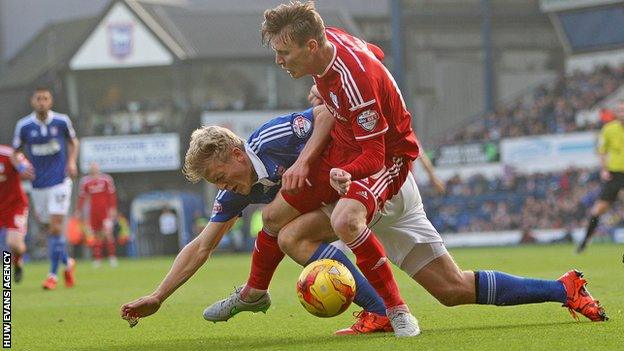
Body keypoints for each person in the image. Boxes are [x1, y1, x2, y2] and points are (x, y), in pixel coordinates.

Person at [203, 1, 607, 334]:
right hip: (374, 170)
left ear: (310, 46)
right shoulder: (333, 48)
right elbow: (374, 52)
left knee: (337, 218)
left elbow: (375, 156)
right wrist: (327, 99)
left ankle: (393, 311)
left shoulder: (353, 83)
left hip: (387, 170)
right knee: (450, 289)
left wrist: (342, 173)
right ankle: (563, 288)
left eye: (284, 52)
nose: (278, 60)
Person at [121, 106, 392, 334]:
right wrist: (159, 296)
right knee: (290, 237)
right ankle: (380, 311)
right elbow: (202, 246)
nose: (222, 186)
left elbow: (325, 113)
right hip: (343, 206)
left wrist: (302, 162)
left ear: (238, 155)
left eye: (220, 176)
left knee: (275, 219)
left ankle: (254, 293)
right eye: (215, 182)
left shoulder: (272, 138)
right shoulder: (234, 192)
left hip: (371, 181)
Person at [12, 86, 79, 290]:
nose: (42, 102)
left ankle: (52, 276)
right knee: (48, 229)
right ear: (33, 101)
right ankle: (67, 263)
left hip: (59, 182)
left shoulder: (61, 121)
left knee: (57, 228)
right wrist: (21, 166)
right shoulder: (24, 125)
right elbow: (15, 152)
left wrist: (72, 162)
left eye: (45, 98)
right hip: (38, 185)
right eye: (38, 98)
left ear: (50, 102)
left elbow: (74, 142)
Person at [578, 101, 624, 253]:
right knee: (598, 210)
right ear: (616, 113)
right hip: (614, 174)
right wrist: (604, 169)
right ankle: (585, 241)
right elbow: (602, 151)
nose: (622, 113)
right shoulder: (609, 129)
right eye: (620, 110)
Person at [0, 145, 34, 283]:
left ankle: (18, 261)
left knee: (14, 244)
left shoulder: (9, 154)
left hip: (15, 206)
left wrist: (22, 169)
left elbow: (29, 171)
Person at [76, 162, 118, 267]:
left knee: (108, 234)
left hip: (105, 212)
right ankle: (98, 259)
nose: (94, 169)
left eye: (95, 167)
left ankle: (112, 258)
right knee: (96, 235)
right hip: (93, 213)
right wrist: (79, 210)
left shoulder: (106, 179)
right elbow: (82, 197)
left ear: (98, 168)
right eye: (92, 167)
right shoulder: (86, 182)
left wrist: (112, 208)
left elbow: (111, 195)